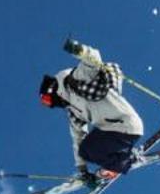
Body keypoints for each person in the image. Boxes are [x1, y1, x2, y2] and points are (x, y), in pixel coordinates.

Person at [39, 47, 144, 184]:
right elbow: (77, 138)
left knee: (91, 148)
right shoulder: (73, 111)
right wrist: (82, 169)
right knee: (85, 151)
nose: (52, 105)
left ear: (52, 90)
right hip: (114, 131)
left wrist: (78, 49)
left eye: (47, 101)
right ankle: (121, 158)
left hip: (125, 124)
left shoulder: (75, 79)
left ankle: (125, 161)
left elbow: (93, 58)